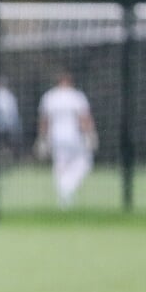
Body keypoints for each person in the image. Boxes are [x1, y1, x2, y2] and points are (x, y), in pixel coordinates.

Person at [35, 71, 96, 209]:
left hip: (55, 137)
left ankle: (64, 194)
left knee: (61, 167)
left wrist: (42, 139)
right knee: (85, 162)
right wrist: (90, 134)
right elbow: (84, 118)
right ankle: (67, 190)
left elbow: (44, 121)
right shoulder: (76, 96)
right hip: (74, 137)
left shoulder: (49, 96)